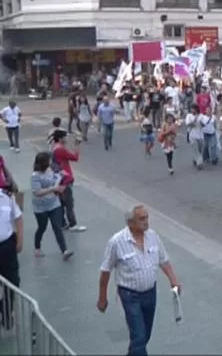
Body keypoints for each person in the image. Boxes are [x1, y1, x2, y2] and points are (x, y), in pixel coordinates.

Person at [98, 204, 182, 356]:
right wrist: (102, 298)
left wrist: (173, 279)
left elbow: (163, 260)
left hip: (150, 294)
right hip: (130, 296)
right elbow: (105, 271)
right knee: (139, 337)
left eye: (147, 217)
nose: (146, 221)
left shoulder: (153, 236)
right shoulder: (116, 242)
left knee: (145, 336)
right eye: (141, 218)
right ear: (130, 223)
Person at [30, 152, 72, 260]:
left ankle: (64, 250)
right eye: (48, 160)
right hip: (40, 207)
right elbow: (37, 192)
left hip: (54, 204)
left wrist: (61, 178)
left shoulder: (51, 170)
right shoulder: (35, 176)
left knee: (57, 227)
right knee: (42, 227)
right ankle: (37, 247)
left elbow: (55, 180)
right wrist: (53, 189)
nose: (50, 162)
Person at [51, 130, 85, 232]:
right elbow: (75, 157)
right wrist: (77, 145)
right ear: (61, 138)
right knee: (69, 203)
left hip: (59, 178)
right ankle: (72, 224)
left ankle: (62, 223)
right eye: (65, 137)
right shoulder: (60, 149)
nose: (67, 139)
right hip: (65, 179)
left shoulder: (55, 147)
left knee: (61, 203)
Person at [0, 183, 24, 288]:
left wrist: (20, 240)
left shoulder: (7, 197)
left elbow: (18, 217)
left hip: (6, 245)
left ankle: (9, 303)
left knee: (12, 282)